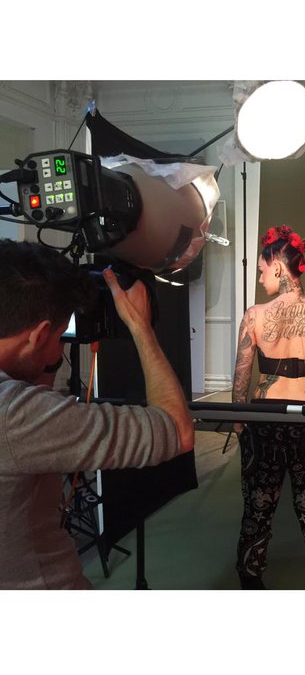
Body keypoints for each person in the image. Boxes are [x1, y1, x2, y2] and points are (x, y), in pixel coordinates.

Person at [0, 239, 194, 589]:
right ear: (39, 334)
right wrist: (140, 327)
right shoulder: (17, 415)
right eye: (58, 336)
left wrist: (44, 355)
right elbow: (177, 431)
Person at [232, 224, 305, 589]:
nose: (260, 278)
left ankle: (251, 585)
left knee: (257, 511)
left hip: (263, 420)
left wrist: (238, 422)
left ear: (278, 267)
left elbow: (241, 377)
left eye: (262, 270)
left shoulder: (255, 315)